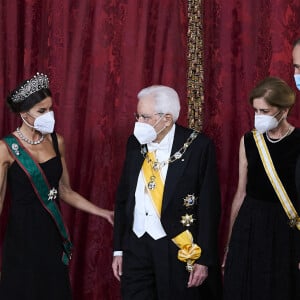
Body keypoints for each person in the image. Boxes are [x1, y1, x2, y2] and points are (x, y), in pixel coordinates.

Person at [0, 72, 114, 300]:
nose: (49, 115)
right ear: (24, 114)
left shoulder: (56, 141)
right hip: (22, 236)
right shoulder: (6, 148)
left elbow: (64, 190)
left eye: (50, 109)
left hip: (52, 232)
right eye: (41, 111)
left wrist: (103, 213)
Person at [112, 85, 222, 299]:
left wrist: (204, 259)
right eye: (137, 116)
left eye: (145, 117)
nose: (138, 123)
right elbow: (124, 197)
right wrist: (119, 249)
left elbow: (210, 207)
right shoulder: (135, 143)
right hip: (136, 245)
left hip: (175, 246)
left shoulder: (198, 147)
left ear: (167, 119)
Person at [223, 77, 300, 300]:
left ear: (284, 110)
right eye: (256, 111)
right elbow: (240, 193)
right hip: (250, 224)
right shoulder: (248, 141)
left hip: (286, 227)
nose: (259, 117)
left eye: (265, 111)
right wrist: (229, 244)